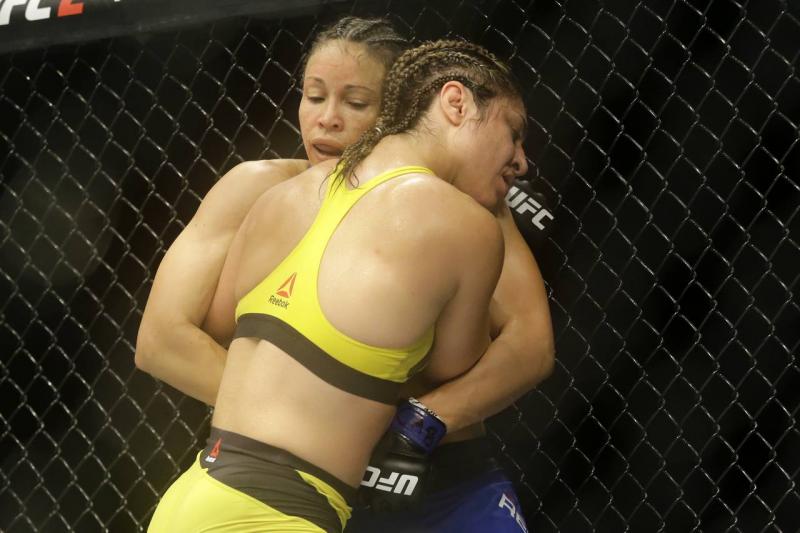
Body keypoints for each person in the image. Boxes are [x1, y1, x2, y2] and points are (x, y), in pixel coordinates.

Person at [135, 16, 554, 533]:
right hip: (297, 480)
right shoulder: (264, 190)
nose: (327, 119)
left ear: (400, 110)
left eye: (355, 102)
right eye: (314, 96)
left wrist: (424, 422)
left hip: (423, 475)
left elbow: (530, 344)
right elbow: (163, 339)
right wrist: (315, 412)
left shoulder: (474, 204)